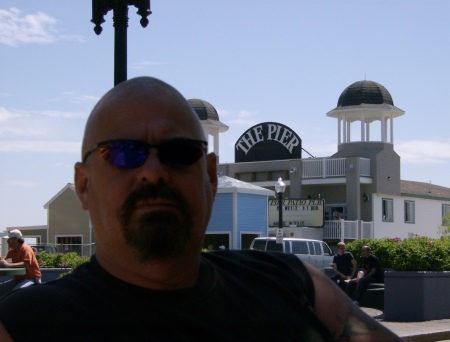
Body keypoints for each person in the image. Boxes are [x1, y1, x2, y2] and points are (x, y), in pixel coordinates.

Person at [0, 77, 400, 341]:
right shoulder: (27, 324)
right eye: (123, 153)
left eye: (179, 153)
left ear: (210, 177)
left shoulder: (290, 281)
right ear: (84, 185)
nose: (153, 172)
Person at [0, 229, 41, 296]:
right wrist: (2, 263)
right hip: (18, 280)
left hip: (32, 279)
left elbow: (26, 265)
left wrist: (7, 265)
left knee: (16, 293)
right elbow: (5, 262)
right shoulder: (11, 251)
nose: (7, 241)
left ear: (15, 240)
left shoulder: (26, 249)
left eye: (9, 239)